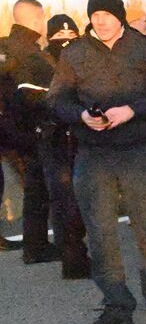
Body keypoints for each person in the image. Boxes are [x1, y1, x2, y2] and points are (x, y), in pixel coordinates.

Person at [48, 0, 146, 324]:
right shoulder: (74, 53)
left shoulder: (144, 48)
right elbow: (56, 100)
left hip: (138, 152)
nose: (101, 22)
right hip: (93, 155)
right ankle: (117, 305)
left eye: (107, 15)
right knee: (101, 234)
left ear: (120, 16)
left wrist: (132, 110)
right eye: (95, 17)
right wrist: (80, 115)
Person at [1, 0, 60, 265]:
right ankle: (36, 247)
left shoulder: (9, 47)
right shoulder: (27, 51)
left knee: (34, 190)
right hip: (29, 131)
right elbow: (31, 95)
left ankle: (35, 245)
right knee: (38, 191)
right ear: (37, 17)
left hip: (14, 131)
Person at [39, 15, 91, 278]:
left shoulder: (82, 61)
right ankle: (73, 260)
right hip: (55, 139)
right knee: (64, 202)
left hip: (82, 138)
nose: (67, 42)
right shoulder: (42, 64)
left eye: (71, 37)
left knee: (82, 201)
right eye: (60, 38)